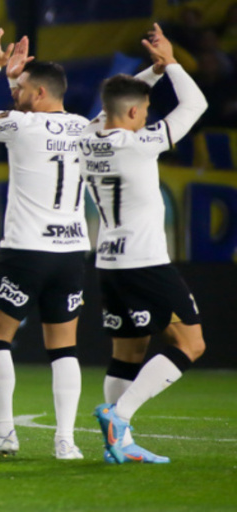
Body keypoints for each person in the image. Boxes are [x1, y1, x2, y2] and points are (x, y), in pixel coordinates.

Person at [0, 30, 89, 460]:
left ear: (40, 92)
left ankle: (1, 433)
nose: (15, 96)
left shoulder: (23, 124)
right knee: (63, 346)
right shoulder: (85, 128)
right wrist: (16, 77)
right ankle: (66, 441)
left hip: (26, 251)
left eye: (21, 90)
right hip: (71, 252)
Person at [81, 23, 208, 464]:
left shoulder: (86, 140)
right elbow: (197, 103)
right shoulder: (141, 145)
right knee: (191, 344)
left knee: (128, 352)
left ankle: (117, 442)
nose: (150, 115)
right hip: (146, 261)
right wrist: (170, 63)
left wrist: (148, 76)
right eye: (147, 109)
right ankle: (120, 416)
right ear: (136, 115)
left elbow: (113, 107)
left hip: (109, 262)